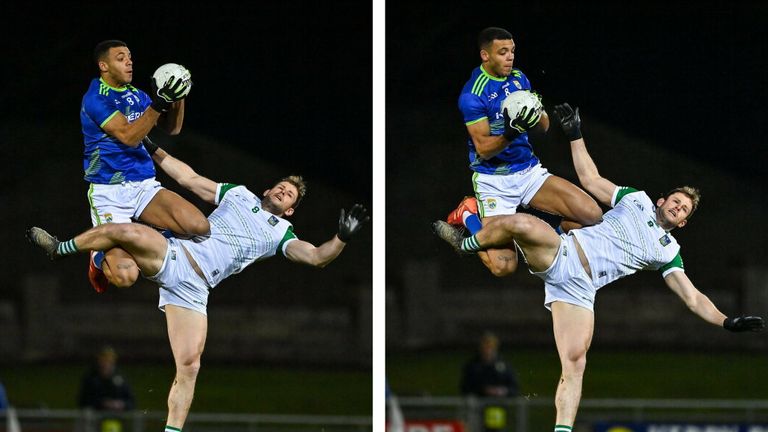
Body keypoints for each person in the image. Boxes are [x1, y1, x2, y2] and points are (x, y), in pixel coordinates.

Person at [434, 103, 765, 431]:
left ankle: (562, 430)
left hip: (581, 290)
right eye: (677, 201)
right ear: (663, 200)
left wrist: (726, 321)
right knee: (520, 225)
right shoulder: (636, 199)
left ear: (682, 224)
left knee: (575, 363)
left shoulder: (668, 252)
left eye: (684, 211)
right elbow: (591, 179)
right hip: (562, 253)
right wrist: (575, 134)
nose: (678, 208)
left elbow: (692, 298)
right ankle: (467, 238)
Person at [27, 142, 369, 432]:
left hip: (194, 290)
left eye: (290, 195)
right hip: (174, 253)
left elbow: (316, 257)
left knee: (190, 366)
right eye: (281, 186)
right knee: (124, 233)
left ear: (290, 210)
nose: (283, 191)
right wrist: (153, 148)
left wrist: (341, 238)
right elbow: (188, 177)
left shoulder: (281, 234)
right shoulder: (237, 194)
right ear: (268, 189)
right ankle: (61, 248)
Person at [448, 27, 602, 277]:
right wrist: (512, 131)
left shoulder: (519, 78)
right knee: (503, 267)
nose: (510, 57)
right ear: (485, 56)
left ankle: (545, 243)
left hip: (528, 173)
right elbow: (484, 150)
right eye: (503, 52)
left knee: (592, 215)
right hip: (493, 182)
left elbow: (544, 127)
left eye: (512, 51)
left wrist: (536, 114)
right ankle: (469, 214)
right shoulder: (473, 95)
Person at [80, 39, 210, 293]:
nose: (129, 62)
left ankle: (146, 235)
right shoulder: (95, 98)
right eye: (120, 58)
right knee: (126, 277)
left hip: (143, 185)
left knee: (199, 227)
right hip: (109, 192)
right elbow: (129, 136)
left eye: (130, 57)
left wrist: (178, 97)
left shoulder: (136, 95)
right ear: (103, 66)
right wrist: (158, 104)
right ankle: (98, 258)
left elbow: (172, 128)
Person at [461, 332, 519, 432]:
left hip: (497, 410)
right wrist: (483, 390)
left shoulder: (503, 365)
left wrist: (502, 391)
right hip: (477, 410)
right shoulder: (473, 365)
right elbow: (465, 387)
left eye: (491, 346)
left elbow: (514, 387)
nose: (488, 349)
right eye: (485, 345)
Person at [78, 346, 136, 412]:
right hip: (95, 417)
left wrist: (121, 404)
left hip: (116, 417)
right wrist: (103, 403)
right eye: (104, 359)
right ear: (98, 360)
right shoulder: (91, 378)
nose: (106, 362)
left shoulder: (120, 378)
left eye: (110, 359)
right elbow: (83, 401)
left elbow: (131, 402)